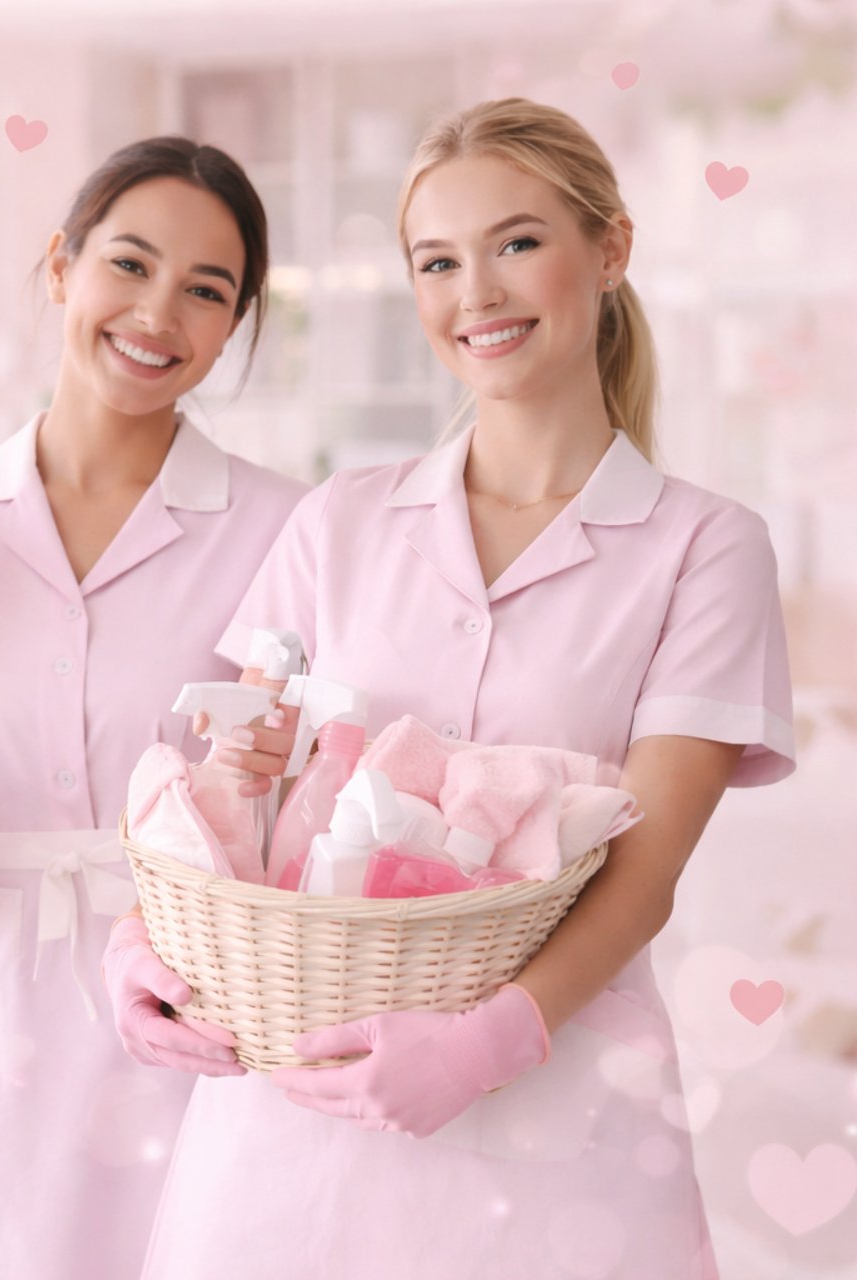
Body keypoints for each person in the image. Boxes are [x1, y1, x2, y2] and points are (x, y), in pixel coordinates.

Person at [120, 98, 796, 1280]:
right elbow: (228, 783)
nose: (474, 292)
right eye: (437, 260)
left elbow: (644, 875)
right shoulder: (337, 524)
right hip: (301, 1103)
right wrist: (147, 935)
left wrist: (487, 1042)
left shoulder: (705, 547)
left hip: (564, 1116)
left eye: (517, 242)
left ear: (612, 249)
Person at [0, 136, 309, 1280]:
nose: (156, 312)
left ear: (233, 326)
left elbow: (304, 799)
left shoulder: (288, 530)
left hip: (186, 1002)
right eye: (128, 265)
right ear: (60, 269)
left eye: (205, 290)